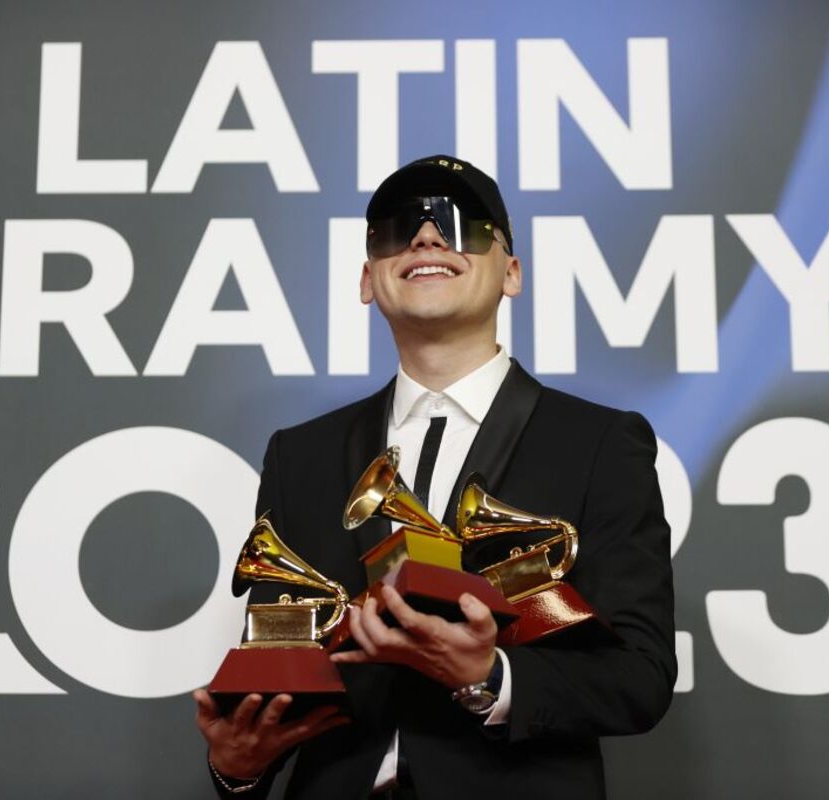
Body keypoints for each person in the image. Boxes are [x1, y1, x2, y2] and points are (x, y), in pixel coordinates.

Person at [194, 155, 676, 799]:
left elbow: (639, 676)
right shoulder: (298, 455)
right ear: (369, 280)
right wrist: (238, 767)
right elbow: (279, 661)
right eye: (399, 230)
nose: (426, 237)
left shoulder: (600, 443)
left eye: (463, 227)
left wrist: (489, 675)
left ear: (511, 273)